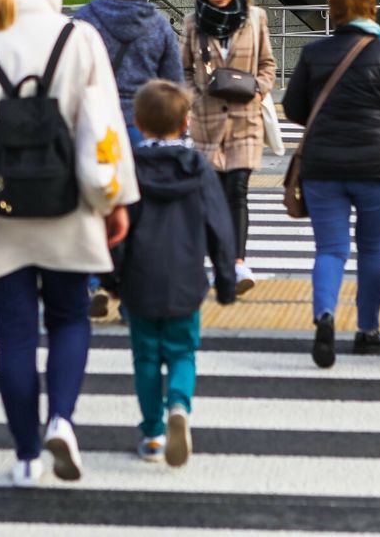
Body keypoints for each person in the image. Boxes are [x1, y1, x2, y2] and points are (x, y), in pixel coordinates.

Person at [0, 0, 138, 489]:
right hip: (69, 203)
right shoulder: (80, 38)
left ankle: (27, 456)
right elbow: (105, 128)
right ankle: (62, 422)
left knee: (14, 336)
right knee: (71, 319)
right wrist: (117, 200)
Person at [281, 0, 380, 368]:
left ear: (334, 12)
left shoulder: (315, 53)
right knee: (372, 249)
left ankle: (325, 315)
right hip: (376, 170)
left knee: (330, 249)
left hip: (323, 168)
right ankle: (367, 331)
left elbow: (294, 108)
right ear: (372, 11)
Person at [102, 79, 236, 467]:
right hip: (186, 279)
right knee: (182, 352)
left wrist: (111, 280)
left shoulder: (130, 170)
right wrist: (225, 280)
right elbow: (219, 227)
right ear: (185, 123)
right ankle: (179, 403)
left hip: (139, 282)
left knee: (145, 358)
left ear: (139, 124)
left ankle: (153, 434)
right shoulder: (199, 169)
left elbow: (116, 231)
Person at [73, 0, 184, 318]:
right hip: (142, 126)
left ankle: (91, 282)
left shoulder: (84, 20)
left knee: (92, 204)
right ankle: (133, 291)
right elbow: (174, 83)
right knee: (141, 214)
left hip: (95, 126)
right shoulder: (158, 24)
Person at [180, 0, 276, 297]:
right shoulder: (193, 23)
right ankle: (219, 262)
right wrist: (193, 99)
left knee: (237, 190)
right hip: (208, 122)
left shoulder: (255, 18)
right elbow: (186, 70)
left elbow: (267, 63)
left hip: (245, 119)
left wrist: (260, 89)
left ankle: (237, 264)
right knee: (213, 196)